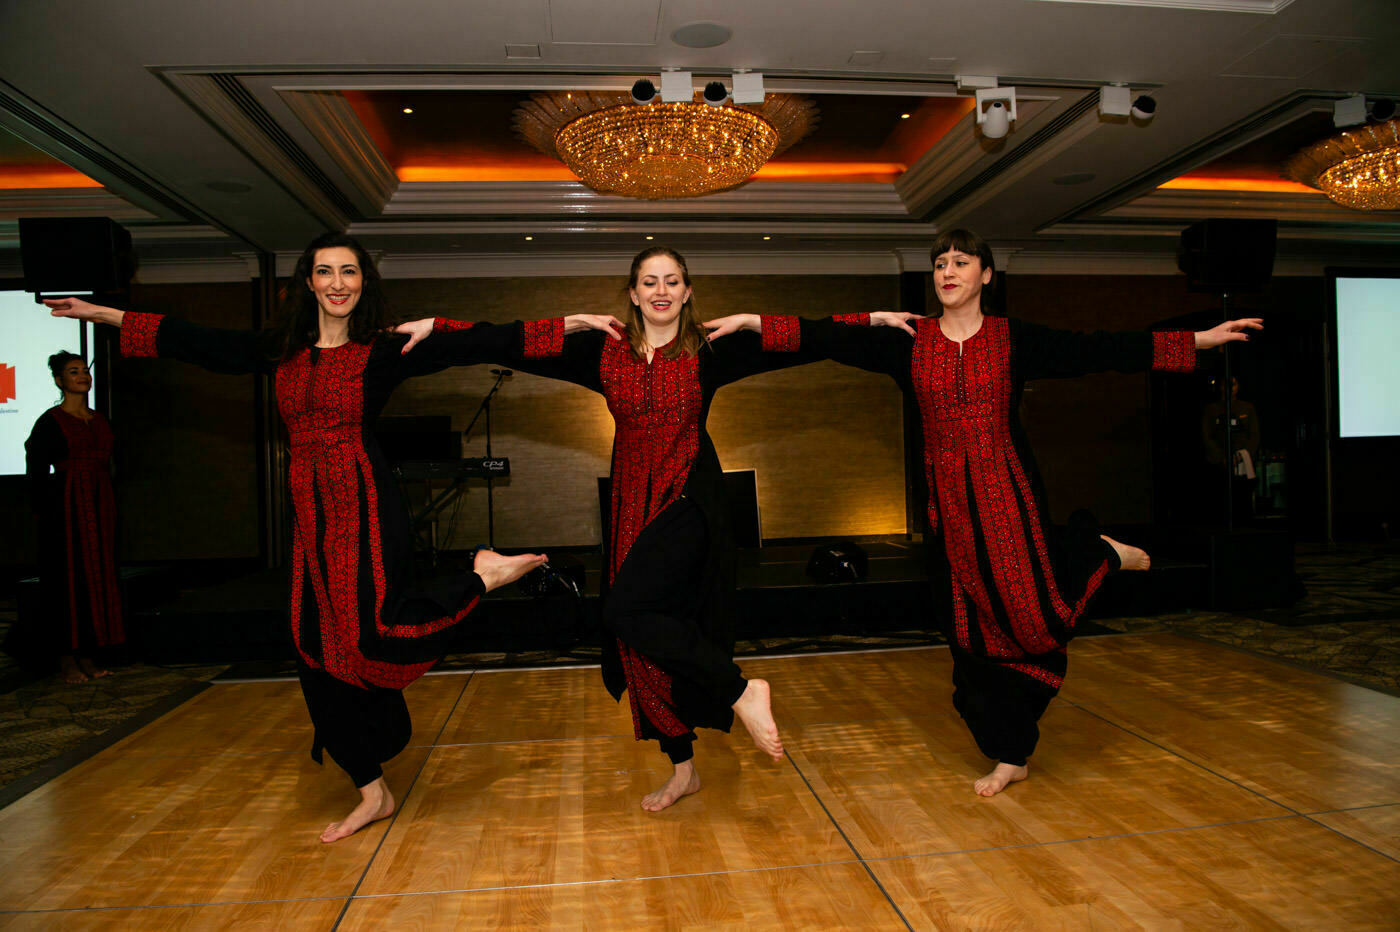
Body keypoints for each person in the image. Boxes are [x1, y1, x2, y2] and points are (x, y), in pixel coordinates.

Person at [43, 232, 574, 843]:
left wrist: (571, 323)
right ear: (309, 283)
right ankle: (371, 789)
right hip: (309, 518)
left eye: (350, 272)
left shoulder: (384, 350)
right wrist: (104, 313)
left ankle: (478, 577)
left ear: (364, 283)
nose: (339, 283)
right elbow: (197, 341)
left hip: (366, 507)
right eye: (326, 272)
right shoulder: (281, 350)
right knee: (314, 650)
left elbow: (484, 340)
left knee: (375, 633)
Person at [723, 229, 1262, 797]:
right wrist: (752, 322)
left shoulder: (1012, 339)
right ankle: (1012, 755)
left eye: (961, 261)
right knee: (972, 648)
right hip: (948, 512)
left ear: (986, 275)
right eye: (939, 263)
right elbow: (826, 336)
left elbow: (1099, 349)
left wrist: (1196, 341)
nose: (947, 271)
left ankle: (1097, 550)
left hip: (1007, 500)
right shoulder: (910, 340)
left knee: (1036, 622)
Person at [397, 246, 910, 811]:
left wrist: (868, 319)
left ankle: (743, 690)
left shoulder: (710, 349)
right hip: (631, 512)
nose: (660, 291)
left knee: (622, 611)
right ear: (633, 293)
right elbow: (508, 343)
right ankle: (682, 767)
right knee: (640, 637)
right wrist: (440, 329)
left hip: (690, 502)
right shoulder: (601, 351)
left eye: (672, 281)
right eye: (649, 281)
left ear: (688, 292)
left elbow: (809, 340)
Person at [24, 352, 124, 683]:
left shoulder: (100, 419)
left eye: (84, 370)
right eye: (72, 371)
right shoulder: (50, 421)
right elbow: (36, 472)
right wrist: (47, 512)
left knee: (98, 578)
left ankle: (91, 653)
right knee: (67, 581)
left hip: (101, 505)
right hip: (66, 510)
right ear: (59, 380)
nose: (82, 375)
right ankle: (67, 659)